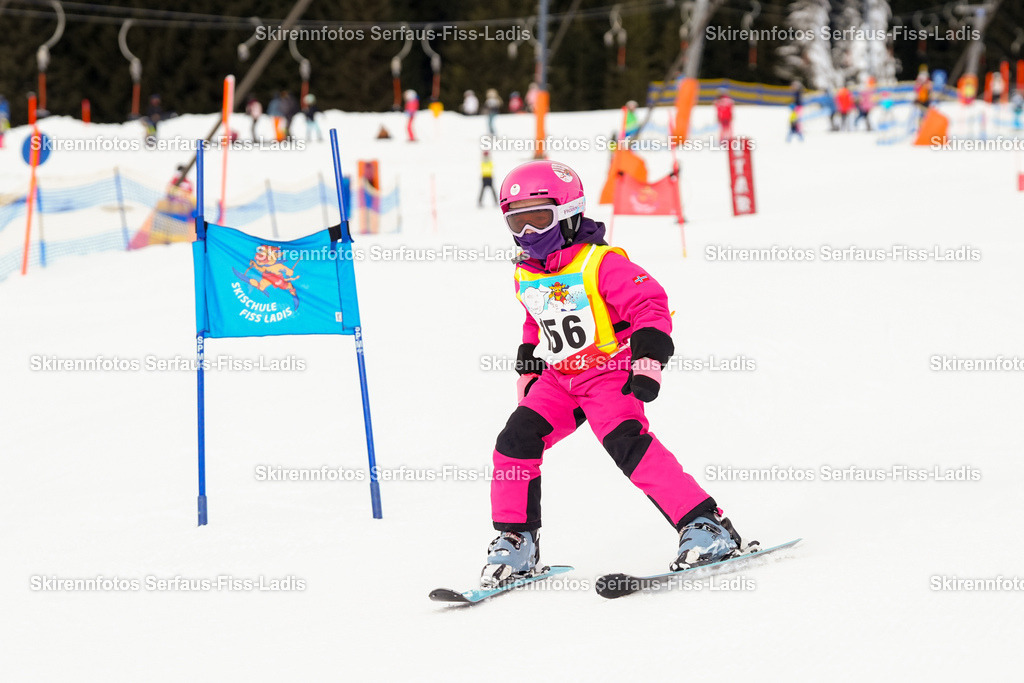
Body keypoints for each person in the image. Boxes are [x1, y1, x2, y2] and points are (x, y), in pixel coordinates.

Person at [479, 160, 747, 588]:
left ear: (568, 214)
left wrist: (648, 359)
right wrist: (528, 357)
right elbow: (535, 316)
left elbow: (650, 305)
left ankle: (705, 525)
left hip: (610, 373)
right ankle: (517, 540)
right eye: (517, 222)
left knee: (628, 445)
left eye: (539, 220)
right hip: (562, 379)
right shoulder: (526, 271)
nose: (528, 234)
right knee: (514, 442)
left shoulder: (600, 263)